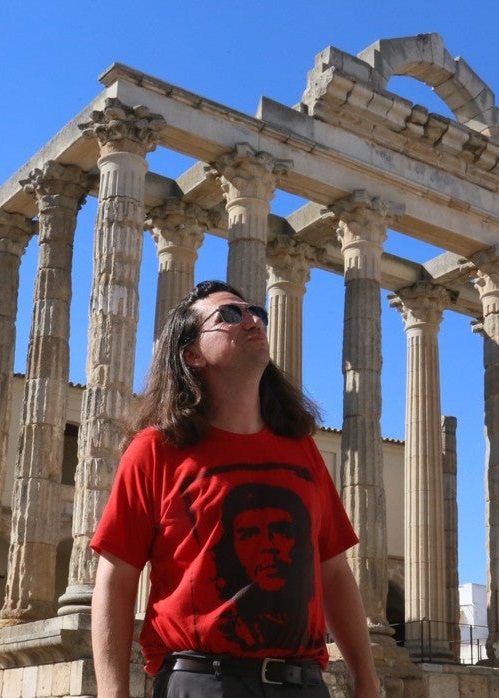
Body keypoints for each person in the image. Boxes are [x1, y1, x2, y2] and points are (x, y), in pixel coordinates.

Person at [91, 280, 380, 697]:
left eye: (255, 312)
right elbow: (115, 579)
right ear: (192, 354)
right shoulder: (155, 451)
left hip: (304, 684)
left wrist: (367, 681)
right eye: (229, 315)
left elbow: (333, 569)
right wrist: (112, 693)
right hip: (205, 681)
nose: (250, 320)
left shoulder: (302, 450)